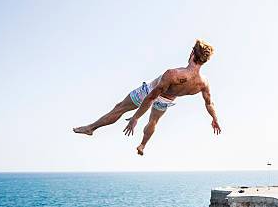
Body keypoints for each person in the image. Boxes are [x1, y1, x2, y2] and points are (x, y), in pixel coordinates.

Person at [73, 39, 221, 155]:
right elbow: (209, 103)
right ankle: (143, 145)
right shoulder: (203, 83)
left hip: (149, 92)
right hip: (166, 101)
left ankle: (91, 128)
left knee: (120, 108)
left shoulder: (173, 74)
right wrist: (214, 119)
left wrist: (135, 117)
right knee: (153, 121)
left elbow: (150, 97)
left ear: (192, 54)